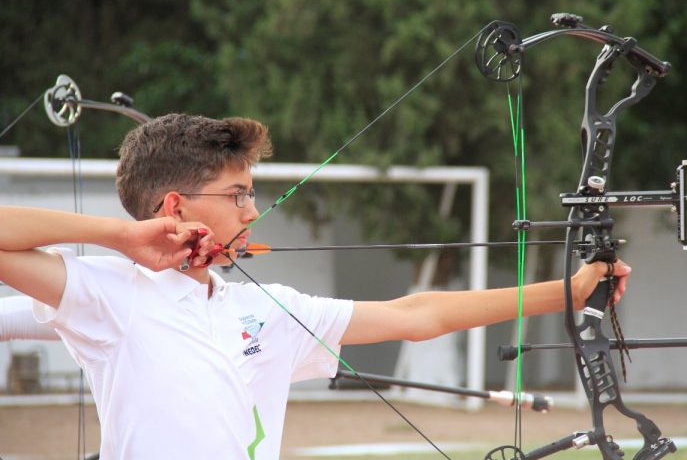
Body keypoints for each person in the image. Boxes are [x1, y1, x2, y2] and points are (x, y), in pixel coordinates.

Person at [0, 113, 630, 459]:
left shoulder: (266, 309)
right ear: (175, 204)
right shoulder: (109, 293)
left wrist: (569, 293)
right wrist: (124, 237)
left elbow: (417, 314)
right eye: (238, 194)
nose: (252, 212)